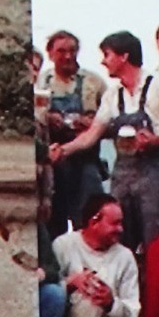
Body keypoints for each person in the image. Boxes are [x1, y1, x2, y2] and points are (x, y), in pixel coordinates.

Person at [52, 31, 159, 255]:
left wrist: (156, 141)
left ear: (124, 57)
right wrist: (63, 150)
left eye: (107, 55)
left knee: (156, 240)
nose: (103, 61)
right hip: (123, 174)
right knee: (118, 238)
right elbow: (92, 135)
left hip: (154, 175)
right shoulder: (113, 94)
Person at [52, 194, 151, 317]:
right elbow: (48, 292)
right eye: (114, 223)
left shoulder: (125, 256)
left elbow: (131, 313)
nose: (120, 229)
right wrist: (72, 282)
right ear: (94, 221)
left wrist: (111, 303)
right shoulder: (64, 245)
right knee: (89, 294)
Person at [38, 29, 108, 233]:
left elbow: (112, 119)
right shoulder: (41, 82)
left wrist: (91, 123)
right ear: (50, 53)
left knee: (91, 219)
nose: (68, 56)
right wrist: (48, 118)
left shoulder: (94, 82)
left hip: (86, 162)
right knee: (52, 223)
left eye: (72, 50)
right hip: (53, 164)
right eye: (61, 51)